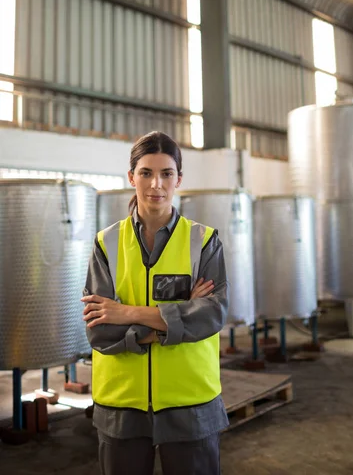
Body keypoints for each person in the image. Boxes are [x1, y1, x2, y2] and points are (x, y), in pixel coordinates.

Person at [81, 131, 229, 475]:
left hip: (190, 405)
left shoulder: (204, 242)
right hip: (122, 408)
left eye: (166, 173)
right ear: (131, 176)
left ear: (179, 179)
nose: (156, 184)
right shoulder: (106, 244)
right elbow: (100, 331)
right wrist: (175, 321)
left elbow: (212, 314)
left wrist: (128, 313)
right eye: (146, 172)